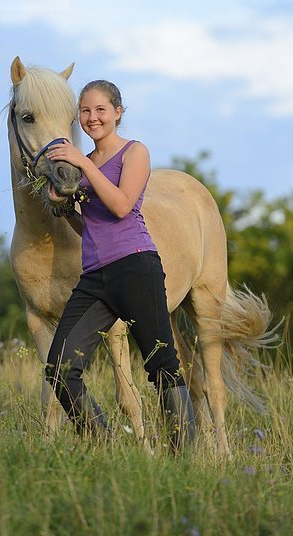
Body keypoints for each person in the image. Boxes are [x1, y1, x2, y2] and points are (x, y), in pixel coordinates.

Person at [44, 80, 195, 451]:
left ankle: (183, 462)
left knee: (161, 364)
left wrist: (81, 164)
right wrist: (64, 208)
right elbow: (91, 225)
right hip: (95, 277)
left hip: (135, 268)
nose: (92, 118)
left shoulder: (134, 152)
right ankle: (107, 446)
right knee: (60, 369)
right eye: (85, 111)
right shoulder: (85, 167)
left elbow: (123, 206)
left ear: (117, 113)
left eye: (100, 110)